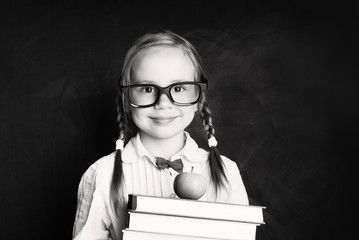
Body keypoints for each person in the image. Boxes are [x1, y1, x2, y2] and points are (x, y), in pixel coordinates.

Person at [72, 30, 249, 240]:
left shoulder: (226, 173)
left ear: (198, 97)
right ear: (127, 99)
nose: (163, 103)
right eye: (147, 89)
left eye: (180, 88)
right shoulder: (102, 174)